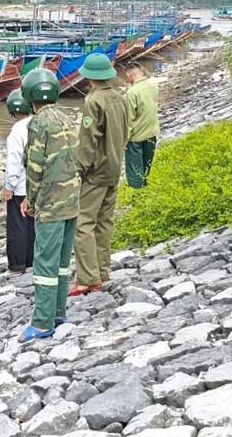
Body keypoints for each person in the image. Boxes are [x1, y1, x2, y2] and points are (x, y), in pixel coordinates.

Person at [18, 67, 80, 342]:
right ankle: (58, 312)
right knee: (62, 262)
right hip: (72, 200)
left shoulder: (38, 123)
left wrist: (30, 200)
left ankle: (42, 323)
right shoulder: (66, 118)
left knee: (45, 264)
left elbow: (35, 167)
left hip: (51, 204)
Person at [71, 52, 128, 296]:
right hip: (114, 167)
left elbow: (88, 140)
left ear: (89, 76)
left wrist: (79, 168)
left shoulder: (93, 101)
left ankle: (87, 278)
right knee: (105, 221)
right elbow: (125, 132)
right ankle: (102, 272)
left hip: (96, 171)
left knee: (83, 223)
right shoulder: (119, 98)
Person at [2, 89, 35, 275]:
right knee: (32, 226)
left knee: (17, 227)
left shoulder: (16, 131)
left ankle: (16, 265)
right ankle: (31, 261)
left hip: (20, 187)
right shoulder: (36, 123)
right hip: (35, 185)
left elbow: (14, 161)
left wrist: (9, 186)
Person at [123, 62, 159, 188]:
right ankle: (145, 187)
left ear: (129, 76)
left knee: (134, 170)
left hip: (136, 137)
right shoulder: (153, 85)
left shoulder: (132, 93)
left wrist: (125, 140)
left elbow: (129, 119)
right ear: (142, 72)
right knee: (146, 165)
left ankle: (137, 194)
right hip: (152, 132)